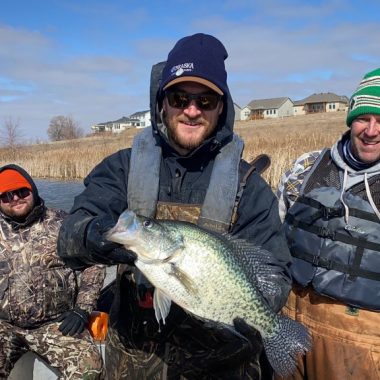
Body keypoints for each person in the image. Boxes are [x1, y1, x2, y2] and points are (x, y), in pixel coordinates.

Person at [58, 32, 292, 379]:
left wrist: (236, 306)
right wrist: (96, 235)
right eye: (180, 97)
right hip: (133, 360)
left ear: (222, 107)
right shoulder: (122, 168)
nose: (192, 110)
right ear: (162, 102)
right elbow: (70, 237)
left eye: (206, 100)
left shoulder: (250, 188)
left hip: (220, 365)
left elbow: (276, 274)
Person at [277, 68, 380, 379]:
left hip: (357, 339)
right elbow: (274, 236)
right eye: (364, 118)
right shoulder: (306, 167)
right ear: (350, 119)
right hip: (287, 323)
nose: (372, 130)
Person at [0, 164, 105, 379]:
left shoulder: (62, 223)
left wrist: (82, 310)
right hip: (4, 326)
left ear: (33, 190)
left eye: (22, 191)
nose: (16, 198)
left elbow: (93, 264)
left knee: (90, 369)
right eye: (6, 195)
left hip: (56, 324)